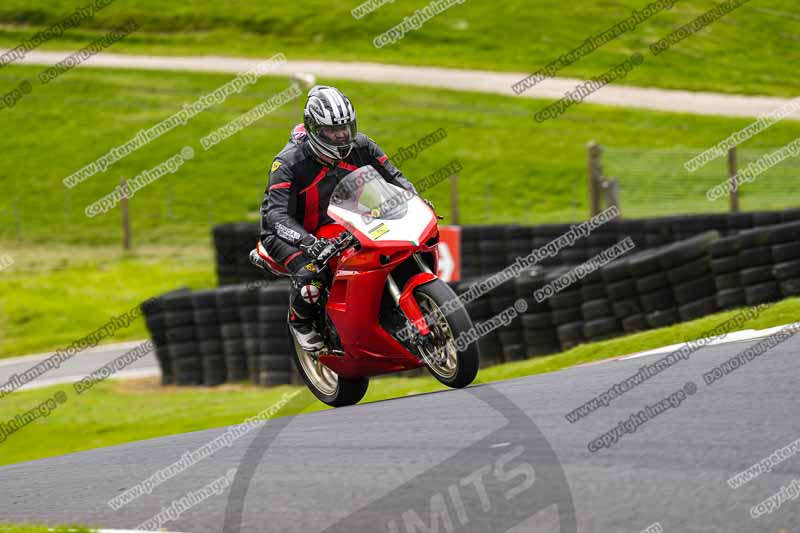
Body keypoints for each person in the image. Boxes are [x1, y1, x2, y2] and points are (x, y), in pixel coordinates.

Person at [256, 85, 431, 351]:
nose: (340, 136)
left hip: (341, 222)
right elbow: (275, 215)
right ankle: (300, 322)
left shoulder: (362, 145)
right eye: (331, 131)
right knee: (312, 274)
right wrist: (306, 241)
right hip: (288, 233)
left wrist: (414, 199)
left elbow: (394, 177)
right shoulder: (287, 163)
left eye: (345, 129)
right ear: (314, 128)